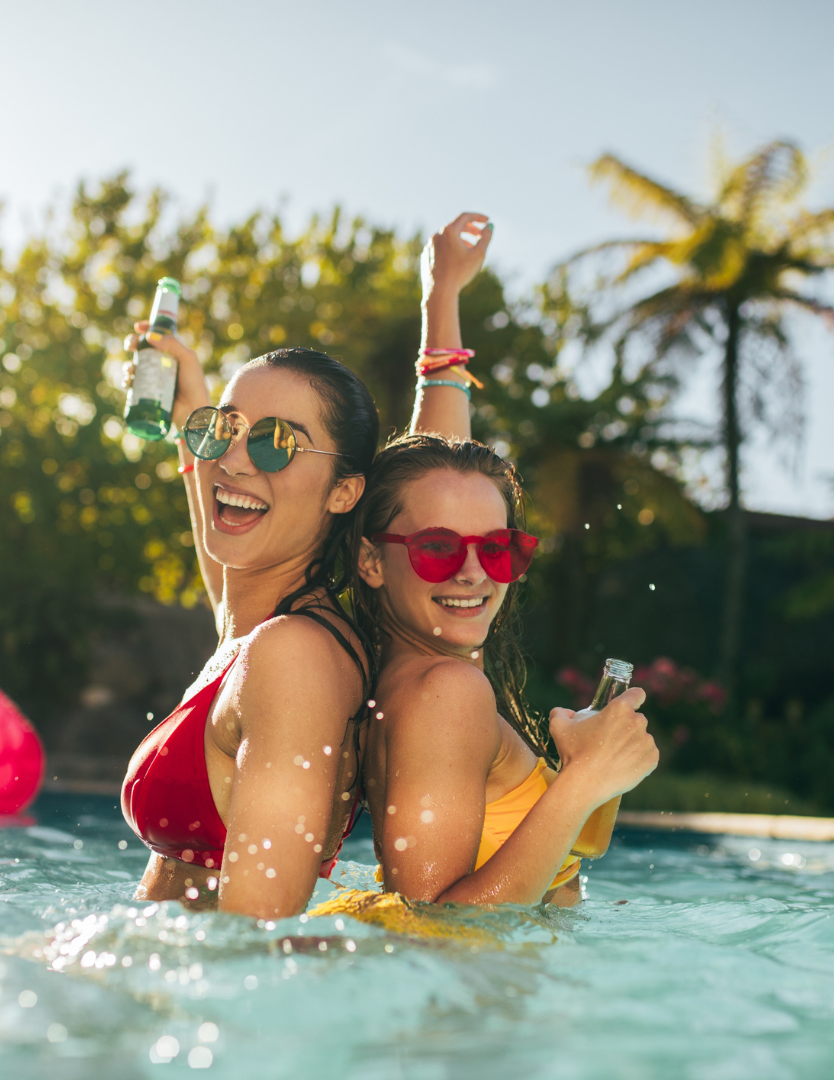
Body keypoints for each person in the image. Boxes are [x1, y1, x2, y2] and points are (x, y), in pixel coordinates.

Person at [347, 216, 659, 908]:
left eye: (496, 548)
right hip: (477, 1010)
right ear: (372, 562)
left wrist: (442, 296)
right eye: (436, 550)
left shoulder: (409, 662)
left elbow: (432, 477)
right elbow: (440, 925)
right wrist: (585, 778)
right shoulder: (448, 693)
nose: (472, 572)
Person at [119, 328, 378, 919]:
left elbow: (255, 940)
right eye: (223, 428)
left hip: (198, 997)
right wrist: (188, 411)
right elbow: (227, 587)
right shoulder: (256, 631)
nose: (232, 459)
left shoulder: (293, 658)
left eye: (276, 443)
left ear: (344, 491)